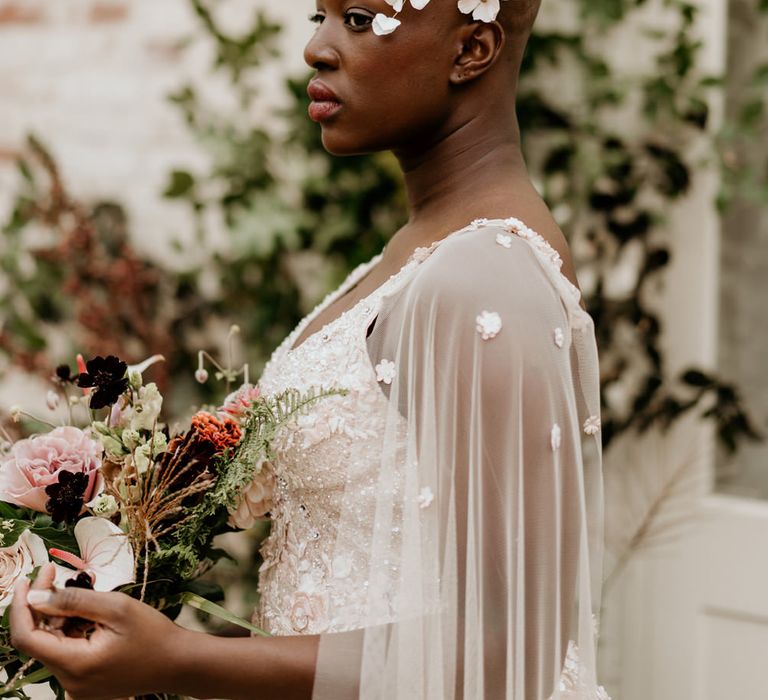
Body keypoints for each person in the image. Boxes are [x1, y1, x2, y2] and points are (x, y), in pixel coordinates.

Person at [11, 1, 610, 698]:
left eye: (358, 18)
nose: (316, 50)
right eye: (318, 15)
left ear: (471, 49)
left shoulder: (483, 275)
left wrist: (180, 660)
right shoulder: (422, 250)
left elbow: (513, 649)